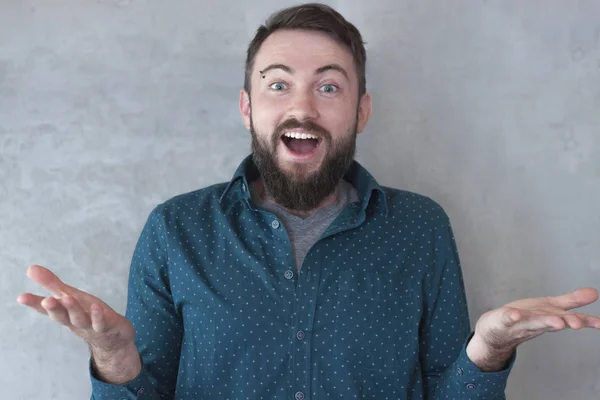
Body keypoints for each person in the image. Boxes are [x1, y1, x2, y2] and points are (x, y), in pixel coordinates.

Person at [17, 3, 600, 400]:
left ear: (360, 111)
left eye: (328, 86)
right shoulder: (176, 231)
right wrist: (115, 363)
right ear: (248, 107)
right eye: (278, 84)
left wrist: (487, 354)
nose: (304, 108)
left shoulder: (421, 228)